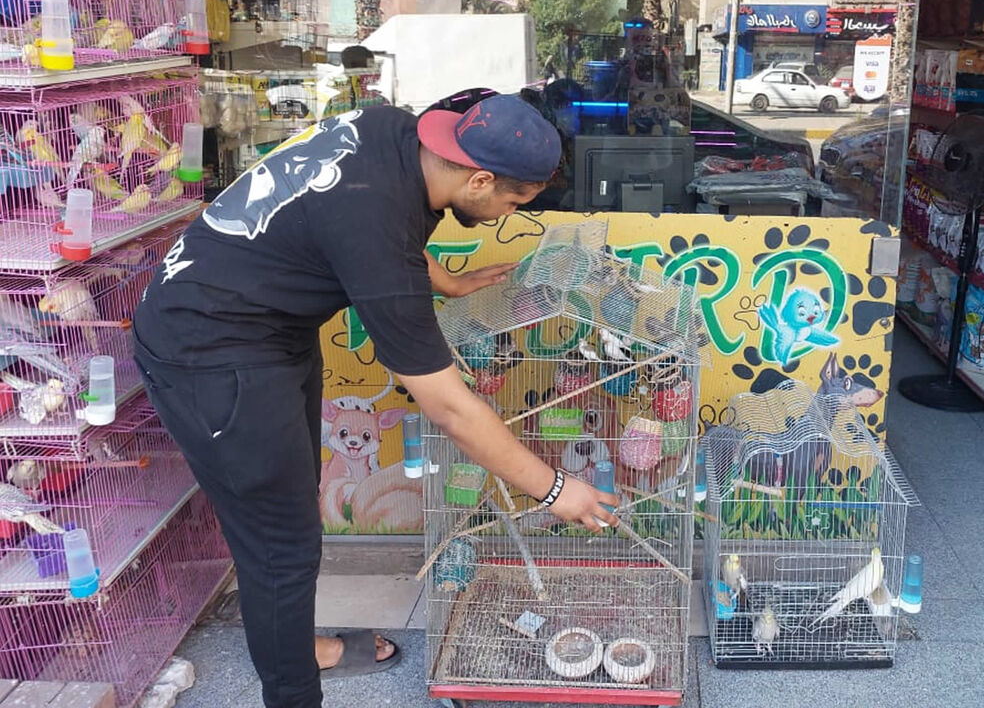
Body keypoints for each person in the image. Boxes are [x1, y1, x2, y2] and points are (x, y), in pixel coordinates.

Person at [131, 95, 620, 708]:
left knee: (293, 508)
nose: (507, 215)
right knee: (280, 548)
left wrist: (444, 280)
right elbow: (450, 407)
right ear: (479, 179)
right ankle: (292, 691)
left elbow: (369, 224)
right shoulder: (378, 234)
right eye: (513, 202)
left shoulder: (392, 130)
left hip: (270, 330)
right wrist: (554, 488)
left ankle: (292, 644)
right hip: (207, 351)